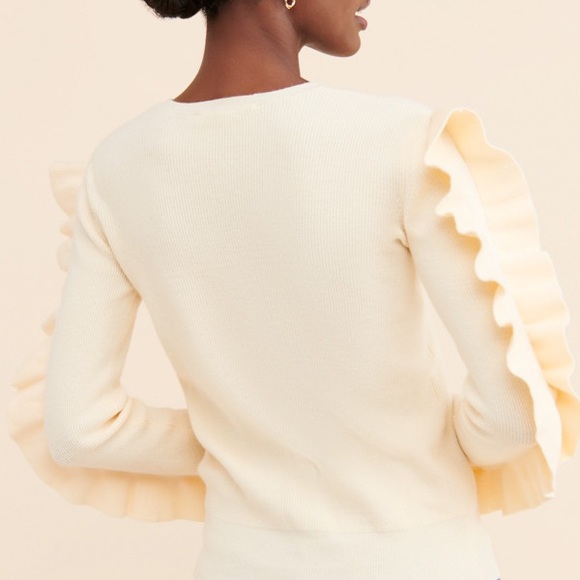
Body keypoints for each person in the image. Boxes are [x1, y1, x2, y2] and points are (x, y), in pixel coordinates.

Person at [7, 1, 580, 579]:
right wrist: (402, 448)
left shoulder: (118, 168)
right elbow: (514, 416)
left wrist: (239, 443)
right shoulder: (399, 140)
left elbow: (79, 431)